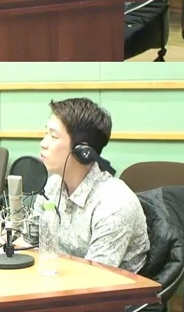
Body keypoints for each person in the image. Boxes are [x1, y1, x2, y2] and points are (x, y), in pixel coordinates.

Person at [27, 97, 149, 273]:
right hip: (58, 280)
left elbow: (95, 277)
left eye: (53, 136)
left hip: (107, 288)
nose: (43, 143)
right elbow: (30, 243)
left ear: (83, 152)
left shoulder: (115, 204)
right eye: (46, 133)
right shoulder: (51, 186)